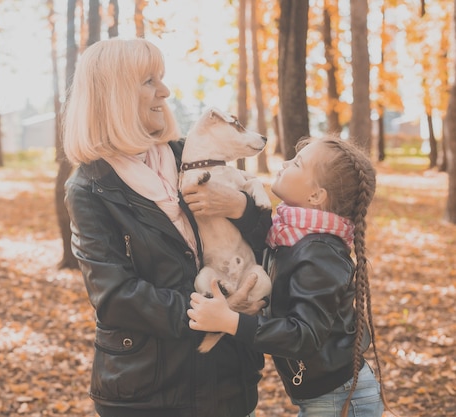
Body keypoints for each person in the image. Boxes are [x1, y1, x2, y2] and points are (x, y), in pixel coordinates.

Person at [62, 38, 272, 417]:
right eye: (149, 81)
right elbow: (116, 296)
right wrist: (206, 314)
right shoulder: (90, 188)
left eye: (161, 78)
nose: (165, 91)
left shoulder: (186, 157)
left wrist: (241, 209)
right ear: (114, 96)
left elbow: (264, 243)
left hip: (228, 376)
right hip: (150, 390)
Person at [188, 135, 387, 417]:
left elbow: (304, 336)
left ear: (316, 196)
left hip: (339, 400)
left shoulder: (319, 252)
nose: (284, 163)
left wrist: (231, 321)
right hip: (327, 395)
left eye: (296, 164)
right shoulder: (290, 236)